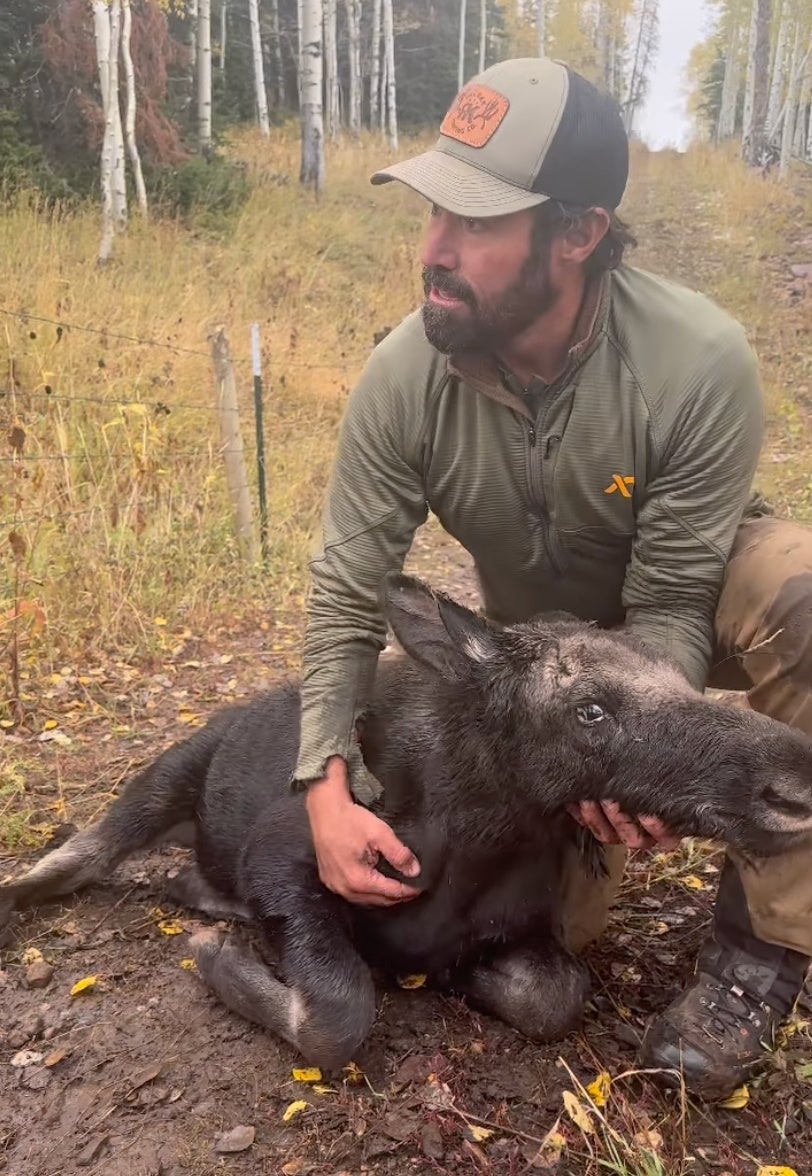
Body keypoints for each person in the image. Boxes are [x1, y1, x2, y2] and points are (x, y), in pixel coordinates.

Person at [290, 55, 812, 1101]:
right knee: (524, 936)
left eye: (474, 223)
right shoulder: (404, 377)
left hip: (685, 610)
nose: (432, 251)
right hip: (542, 670)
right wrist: (321, 782)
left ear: (575, 234)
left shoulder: (693, 358)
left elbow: (667, 602)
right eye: (432, 212)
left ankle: (761, 955)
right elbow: (350, 595)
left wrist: (640, 759)